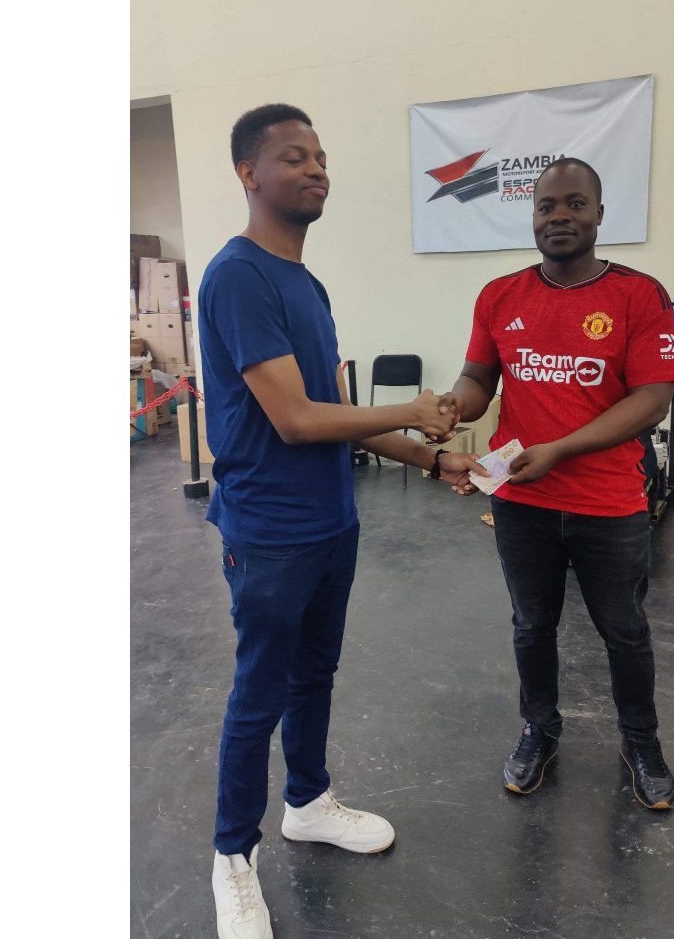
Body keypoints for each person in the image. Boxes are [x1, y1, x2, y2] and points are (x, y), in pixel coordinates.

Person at [197, 103, 484, 939]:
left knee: (314, 675)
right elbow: (293, 421)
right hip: (269, 531)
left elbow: (331, 411)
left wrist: (430, 457)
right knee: (259, 692)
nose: (316, 168)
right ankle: (231, 857)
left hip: (330, 521)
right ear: (249, 173)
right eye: (293, 156)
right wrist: (415, 409)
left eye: (320, 156)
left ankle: (308, 802)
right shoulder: (238, 276)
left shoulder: (307, 284)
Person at [438, 157, 674, 810]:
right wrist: (452, 407)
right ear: (533, 216)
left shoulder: (638, 295)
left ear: (600, 214)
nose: (560, 217)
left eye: (575, 204)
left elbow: (653, 399)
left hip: (609, 502)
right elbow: (478, 379)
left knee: (625, 632)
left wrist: (562, 449)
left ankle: (641, 742)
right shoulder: (500, 296)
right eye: (547, 206)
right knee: (532, 626)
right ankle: (539, 730)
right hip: (522, 499)